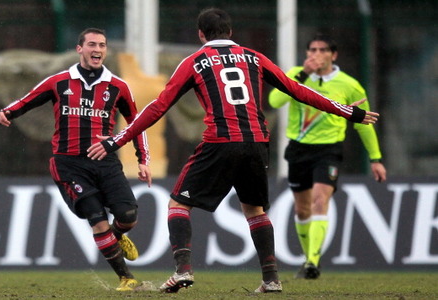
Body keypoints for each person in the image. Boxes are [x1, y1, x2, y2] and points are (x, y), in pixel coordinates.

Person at [87, 9, 379, 293]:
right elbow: (296, 90)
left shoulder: (195, 61)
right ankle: (271, 279)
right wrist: (348, 112)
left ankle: (183, 270)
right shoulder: (254, 57)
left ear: (201, 34)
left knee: (178, 205)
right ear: (231, 33)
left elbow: (159, 106)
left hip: (220, 141)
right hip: (256, 142)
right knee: (255, 210)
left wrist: (116, 140)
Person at [0, 28, 152, 291]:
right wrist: (8, 112)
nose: (97, 50)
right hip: (69, 164)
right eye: (92, 44)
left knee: (128, 216)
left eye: (102, 45)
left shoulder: (118, 87)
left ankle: (116, 236)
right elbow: (29, 99)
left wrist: (143, 159)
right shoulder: (59, 81)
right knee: (96, 217)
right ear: (79, 49)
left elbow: (136, 123)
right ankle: (127, 278)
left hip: (106, 161)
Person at [268, 33, 387, 279]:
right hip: (299, 148)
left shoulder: (349, 85)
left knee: (320, 200)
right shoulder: (295, 75)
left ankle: (313, 261)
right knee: (302, 210)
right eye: (312, 50)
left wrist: (375, 158)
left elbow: (363, 123)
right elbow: (274, 101)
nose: (316, 54)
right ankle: (307, 258)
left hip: (329, 150)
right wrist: (301, 77)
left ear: (333, 55)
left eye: (322, 50)